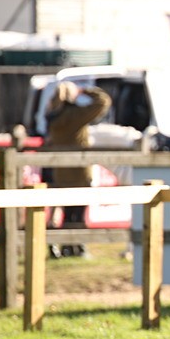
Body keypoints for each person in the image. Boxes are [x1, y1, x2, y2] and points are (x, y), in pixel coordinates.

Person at [45, 82, 112, 230]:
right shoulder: (76, 115)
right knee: (79, 212)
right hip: (79, 170)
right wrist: (84, 91)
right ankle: (77, 245)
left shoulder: (52, 117)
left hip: (61, 171)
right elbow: (103, 101)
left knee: (66, 211)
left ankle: (66, 245)